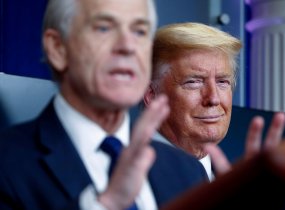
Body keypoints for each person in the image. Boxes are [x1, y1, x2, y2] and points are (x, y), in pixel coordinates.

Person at [0, 2, 208, 210]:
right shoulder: (6, 164)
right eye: (104, 28)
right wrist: (106, 204)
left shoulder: (188, 172)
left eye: (140, 31)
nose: (128, 46)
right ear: (58, 48)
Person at [143, 22, 285, 180]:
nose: (213, 98)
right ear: (152, 95)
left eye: (222, 82)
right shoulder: (127, 174)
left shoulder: (243, 179)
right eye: (193, 82)